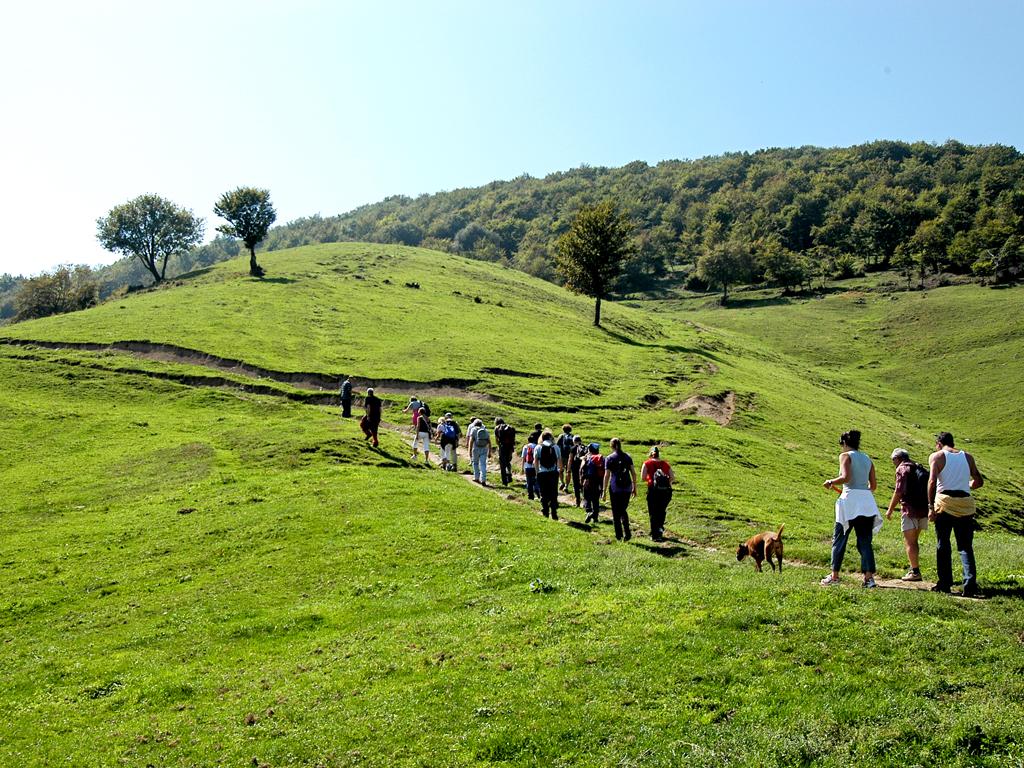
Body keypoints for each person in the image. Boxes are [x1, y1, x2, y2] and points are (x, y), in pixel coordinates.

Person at [821, 430, 881, 588]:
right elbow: (873, 486)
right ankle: (869, 578)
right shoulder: (867, 459)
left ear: (844, 443)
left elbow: (846, 478)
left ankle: (834, 575)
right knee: (865, 541)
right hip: (867, 502)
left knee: (840, 538)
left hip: (849, 502)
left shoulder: (845, 456)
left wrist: (831, 481)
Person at [928, 432, 984, 596]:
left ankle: (945, 584)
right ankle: (970, 585)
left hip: (945, 503)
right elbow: (979, 482)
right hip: (965, 504)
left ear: (939, 443)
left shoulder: (937, 456)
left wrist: (930, 507)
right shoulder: (967, 456)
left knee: (943, 544)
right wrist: (966, 485)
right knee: (965, 546)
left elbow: (932, 481)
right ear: (953, 443)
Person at [884, 448, 929, 581]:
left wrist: (890, 509)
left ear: (898, 458)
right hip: (923, 509)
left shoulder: (902, 469)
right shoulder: (917, 467)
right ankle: (914, 568)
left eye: (893, 460)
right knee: (914, 541)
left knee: (910, 542)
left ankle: (915, 571)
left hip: (909, 510)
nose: (893, 463)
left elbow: (898, 491)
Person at [603, 438, 637, 541]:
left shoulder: (609, 458)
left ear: (611, 446)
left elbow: (607, 475)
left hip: (615, 488)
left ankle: (619, 535)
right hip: (627, 487)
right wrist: (634, 487)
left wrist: (603, 491)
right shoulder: (627, 457)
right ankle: (627, 532)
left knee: (616, 511)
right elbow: (633, 473)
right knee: (623, 510)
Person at [640, 446, 674, 542]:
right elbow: (672, 477)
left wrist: (650, 479)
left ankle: (655, 535)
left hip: (653, 490)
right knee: (661, 510)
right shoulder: (665, 464)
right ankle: (660, 528)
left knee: (653, 512)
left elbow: (642, 477)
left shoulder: (647, 463)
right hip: (666, 492)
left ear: (651, 454)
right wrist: (666, 483)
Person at [535, 431, 562, 519]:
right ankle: (554, 512)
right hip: (553, 473)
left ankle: (545, 510)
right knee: (553, 492)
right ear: (551, 437)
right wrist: (559, 470)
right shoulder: (556, 447)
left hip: (542, 472)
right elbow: (559, 460)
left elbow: (536, 461)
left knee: (543, 492)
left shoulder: (538, 447)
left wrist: (537, 472)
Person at [581, 442, 605, 523]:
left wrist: (581, 480)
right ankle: (595, 517)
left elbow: (581, 469)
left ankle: (589, 512)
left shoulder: (587, 457)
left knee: (587, 497)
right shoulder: (601, 458)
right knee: (596, 499)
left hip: (588, 480)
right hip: (598, 481)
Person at [494, 417, 517, 486]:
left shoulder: (497, 428)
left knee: (502, 464)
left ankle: (504, 481)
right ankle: (509, 475)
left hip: (502, 447)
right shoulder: (510, 428)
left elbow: (496, 440)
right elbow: (513, 439)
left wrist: (499, 446)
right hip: (510, 447)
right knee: (508, 461)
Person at [468, 418, 492, 485]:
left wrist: (469, 450)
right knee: (483, 464)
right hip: (484, 449)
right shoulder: (486, 431)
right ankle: (483, 479)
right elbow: (489, 442)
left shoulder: (473, 430)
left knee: (475, 463)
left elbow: (471, 441)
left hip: (475, 449)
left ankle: (476, 478)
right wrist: (490, 451)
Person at [565, 435, 585, 507]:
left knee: (576, 485)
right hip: (583, 469)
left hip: (575, 469)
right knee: (583, 484)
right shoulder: (585, 447)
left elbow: (570, 459)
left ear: (574, 441)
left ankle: (578, 502)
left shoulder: (573, 448)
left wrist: (568, 470)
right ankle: (585, 501)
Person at [520, 435, 540, 500]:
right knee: (536, 480)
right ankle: (538, 492)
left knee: (529, 481)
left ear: (528, 440)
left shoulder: (526, 447)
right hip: (535, 466)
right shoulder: (537, 446)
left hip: (527, 466)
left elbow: (523, 458)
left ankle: (530, 496)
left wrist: (522, 468)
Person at [556, 424, 575, 491]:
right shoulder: (573, 436)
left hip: (561, 456)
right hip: (570, 457)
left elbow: (557, 445)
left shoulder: (561, 436)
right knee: (568, 471)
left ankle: (562, 482)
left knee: (560, 470)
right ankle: (566, 486)